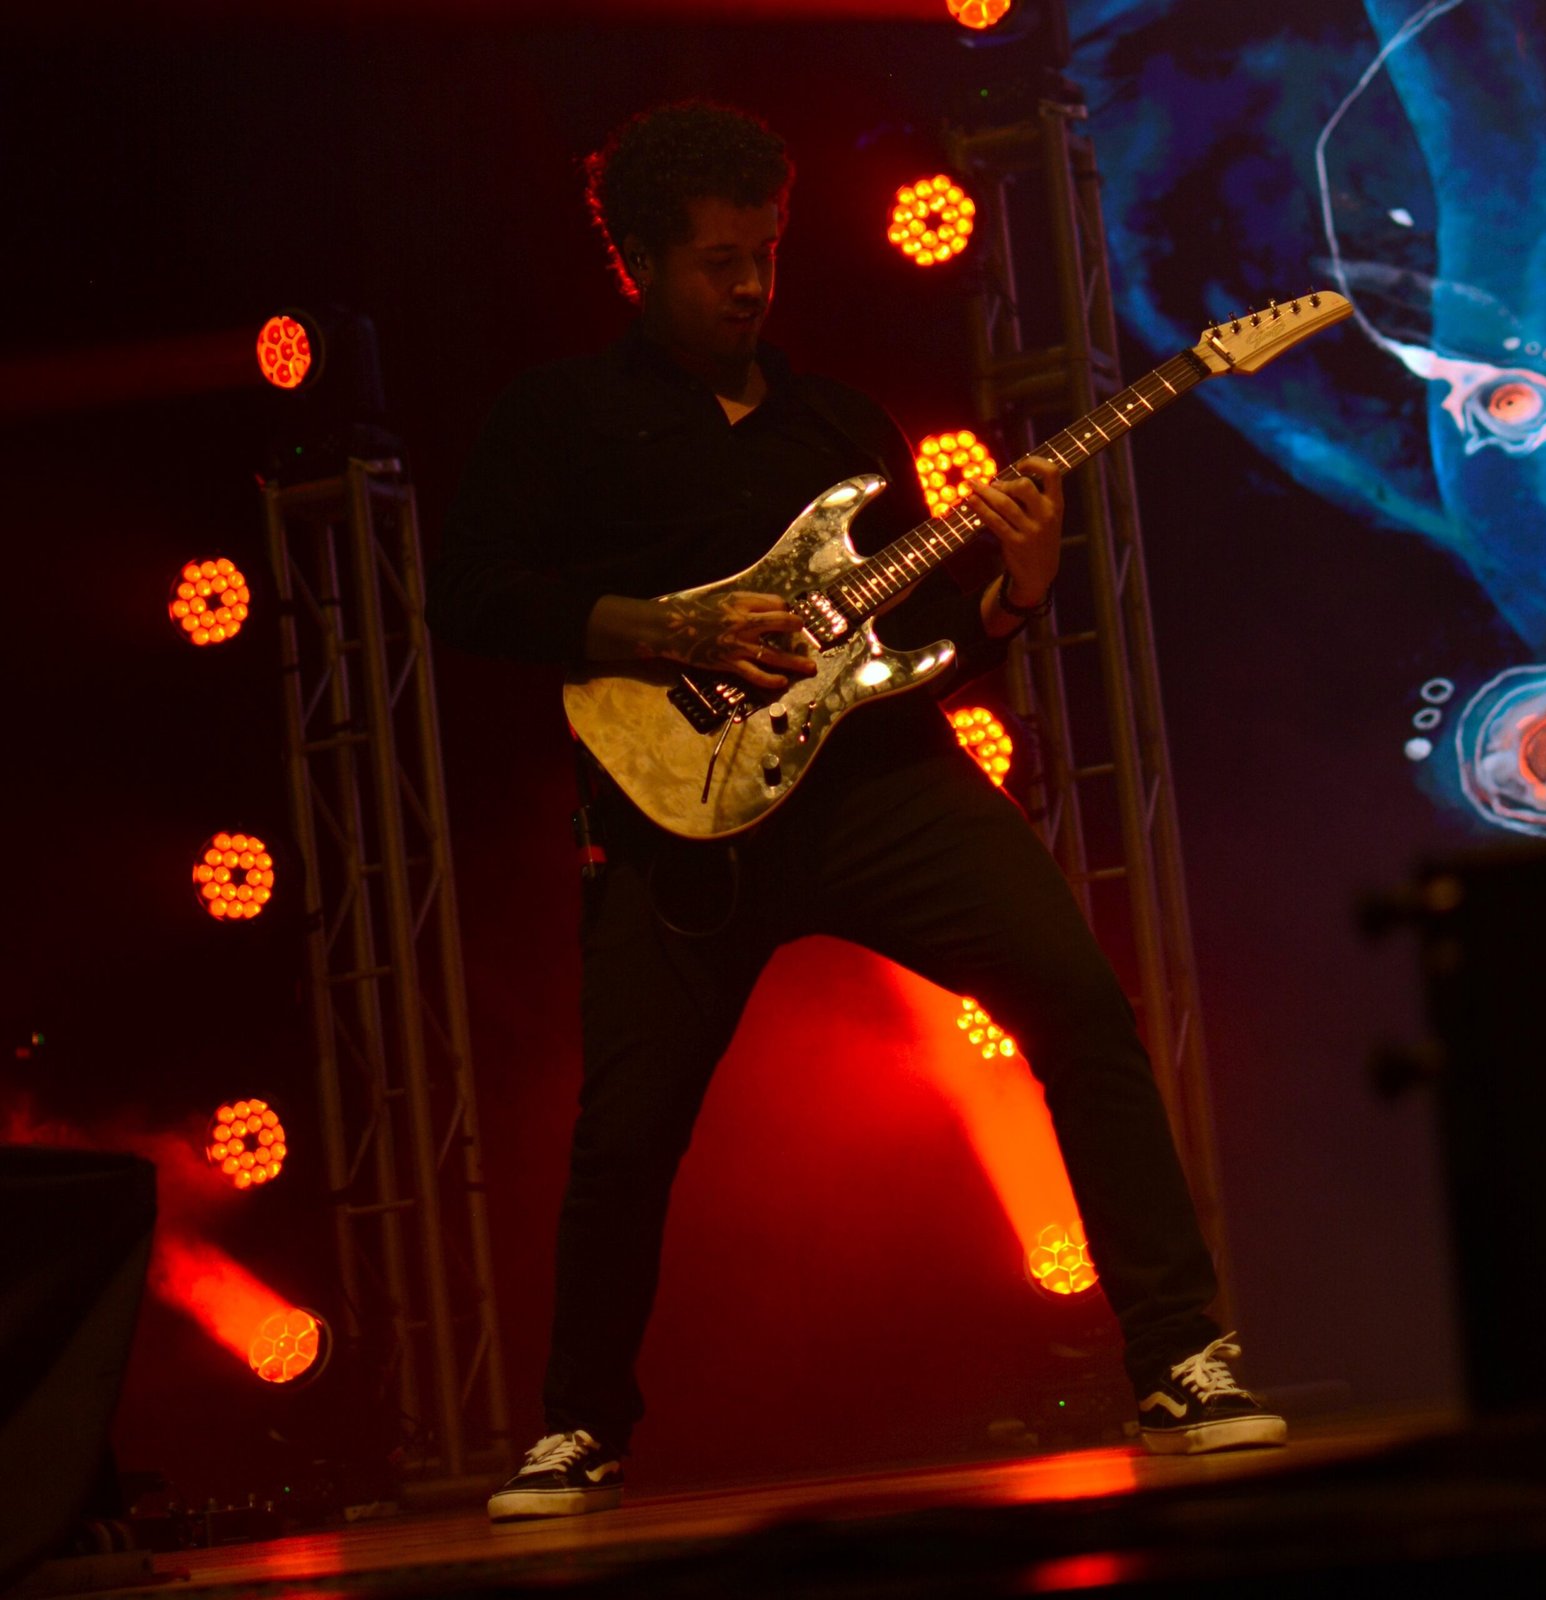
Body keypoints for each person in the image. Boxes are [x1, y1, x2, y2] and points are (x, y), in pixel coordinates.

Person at [425, 101, 1286, 1522]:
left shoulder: (837, 423)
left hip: (883, 783)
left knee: (1079, 1003)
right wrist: (668, 630)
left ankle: (1180, 1357)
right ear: (638, 262)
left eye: (764, 254)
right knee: (627, 1135)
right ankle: (578, 1427)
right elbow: (470, 598)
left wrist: (1013, 591)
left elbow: (920, 639)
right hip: (675, 816)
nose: (750, 286)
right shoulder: (558, 418)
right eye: (718, 262)